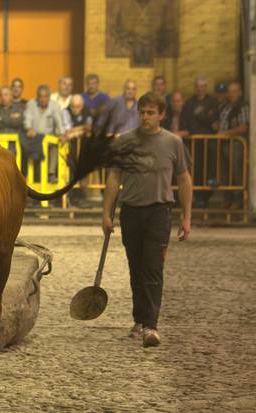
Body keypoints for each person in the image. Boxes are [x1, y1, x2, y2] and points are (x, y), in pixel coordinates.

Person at [102, 91, 192, 348]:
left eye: (151, 112)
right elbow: (114, 178)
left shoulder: (173, 143)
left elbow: (184, 179)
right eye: (142, 112)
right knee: (136, 267)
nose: (145, 117)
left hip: (159, 212)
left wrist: (187, 218)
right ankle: (140, 318)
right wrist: (106, 214)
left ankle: (151, 325)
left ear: (162, 115)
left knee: (153, 267)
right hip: (131, 210)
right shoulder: (124, 142)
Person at [182, 76, 219, 207]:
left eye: (203, 86)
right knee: (195, 169)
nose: (200, 89)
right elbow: (187, 121)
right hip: (194, 142)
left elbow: (214, 120)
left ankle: (206, 197)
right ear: (195, 87)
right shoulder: (189, 103)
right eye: (198, 86)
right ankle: (196, 197)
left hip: (210, 143)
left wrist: (200, 117)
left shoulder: (213, 101)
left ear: (206, 87)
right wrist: (204, 117)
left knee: (209, 169)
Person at [24, 84, 65, 183]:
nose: (43, 99)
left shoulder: (55, 106)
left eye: (45, 96)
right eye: (40, 96)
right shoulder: (30, 104)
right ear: (37, 97)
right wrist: (29, 128)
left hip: (49, 138)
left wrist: (61, 134)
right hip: (35, 138)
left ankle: (51, 174)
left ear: (49, 97)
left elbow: (59, 122)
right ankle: (33, 179)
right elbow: (27, 119)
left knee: (56, 144)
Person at [217, 81, 249, 209]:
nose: (231, 94)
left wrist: (225, 133)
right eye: (229, 91)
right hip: (223, 143)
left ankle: (238, 199)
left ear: (240, 92)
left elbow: (243, 128)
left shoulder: (242, 107)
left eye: (234, 91)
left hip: (236, 143)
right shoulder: (225, 106)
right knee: (225, 173)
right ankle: (227, 199)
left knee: (236, 171)